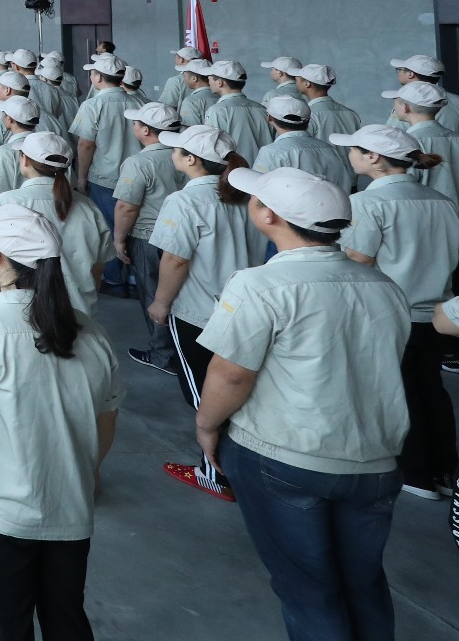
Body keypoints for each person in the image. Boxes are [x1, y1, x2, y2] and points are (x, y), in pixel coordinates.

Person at [195, 167, 410, 641]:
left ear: (267, 215)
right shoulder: (383, 286)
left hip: (285, 458)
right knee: (364, 585)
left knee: (309, 591)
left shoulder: (259, 285)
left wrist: (207, 426)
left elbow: (231, 373)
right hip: (375, 462)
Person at [0, 201, 123, 641]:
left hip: (3, 508)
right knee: (65, 613)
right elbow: (106, 418)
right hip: (70, 502)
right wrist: (89, 469)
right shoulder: (91, 332)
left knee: (7, 616)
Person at [333, 123, 459, 500]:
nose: (349, 154)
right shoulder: (442, 201)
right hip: (437, 315)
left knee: (397, 391)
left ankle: (415, 473)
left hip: (391, 314)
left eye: (354, 149)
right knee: (430, 388)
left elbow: (358, 262)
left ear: (373, 157)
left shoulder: (367, 203)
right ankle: (444, 470)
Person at [148, 124, 260, 500]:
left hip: (198, 312)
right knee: (237, 391)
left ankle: (218, 474)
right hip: (244, 308)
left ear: (191, 160)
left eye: (178, 150)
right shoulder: (244, 196)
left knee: (204, 394)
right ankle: (242, 466)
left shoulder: (185, 201)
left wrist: (161, 302)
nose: (173, 154)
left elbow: (175, 260)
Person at [0, 132, 113, 316]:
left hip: (23, 311)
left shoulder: (9, 202)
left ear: (25, 161)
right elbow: (98, 267)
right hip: (79, 310)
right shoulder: (88, 206)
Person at [111, 103, 189, 374]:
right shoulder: (189, 155)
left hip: (150, 238)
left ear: (145, 130)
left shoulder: (139, 162)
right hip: (186, 235)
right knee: (182, 295)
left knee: (154, 295)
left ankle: (163, 355)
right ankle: (185, 350)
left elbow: (127, 206)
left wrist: (119, 239)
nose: (133, 127)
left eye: (136, 123)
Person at [71, 55, 143, 295]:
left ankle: (113, 279)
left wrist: (81, 177)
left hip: (104, 178)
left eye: (92, 73)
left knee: (108, 229)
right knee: (133, 228)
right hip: (136, 177)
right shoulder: (139, 103)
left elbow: (85, 144)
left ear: (99, 77)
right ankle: (135, 279)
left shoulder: (93, 105)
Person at [253, 95, 355, 193]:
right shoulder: (330, 149)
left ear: (269, 118)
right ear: (307, 121)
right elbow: (344, 188)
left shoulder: (271, 152)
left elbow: (259, 193)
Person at [202, 60, 273, 161]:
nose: (208, 82)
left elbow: (213, 148)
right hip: (264, 168)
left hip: (234, 169)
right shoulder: (262, 109)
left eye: (209, 78)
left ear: (220, 82)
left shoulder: (216, 111)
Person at [294, 64, 361, 141]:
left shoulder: (307, 115)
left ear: (307, 84)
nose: (295, 83)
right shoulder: (351, 114)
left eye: (296, 80)